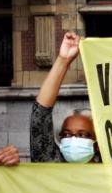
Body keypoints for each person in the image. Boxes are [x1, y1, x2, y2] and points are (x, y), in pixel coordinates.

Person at [30, 32, 99, 163]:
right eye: (67, 134)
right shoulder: (50, 163)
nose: (73, 140)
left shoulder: (110, 172)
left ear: (96, 144)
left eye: (82, 134)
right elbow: (40, 115)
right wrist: (63, 60)